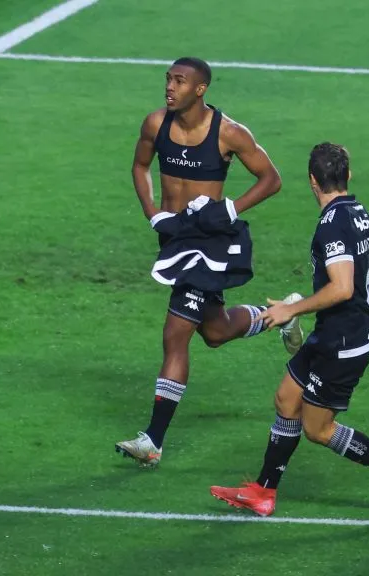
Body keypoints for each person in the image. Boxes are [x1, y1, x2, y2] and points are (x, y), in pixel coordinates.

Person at [209, 142, 369, 518]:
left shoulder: (331, 225)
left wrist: (291, 309)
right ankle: (264, 491)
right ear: (348, 176)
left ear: (312, 181)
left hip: (344, 344)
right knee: (286, 399)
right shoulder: (363, 216)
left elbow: (341, 287)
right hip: (334, 334)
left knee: (318, 429)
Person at [114, 57, 294, 468]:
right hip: (175, 239)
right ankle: (280, 315)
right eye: (168, 79)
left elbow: (272, 178)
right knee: (214, 331)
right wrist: (152, 211)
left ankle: (152, 440)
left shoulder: (228, 132)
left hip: (209, 243)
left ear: (200, 89)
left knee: (176, 333)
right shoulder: (155, 124)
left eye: (179, 81)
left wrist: (231, 208)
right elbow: (140, 166)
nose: (170, 86)